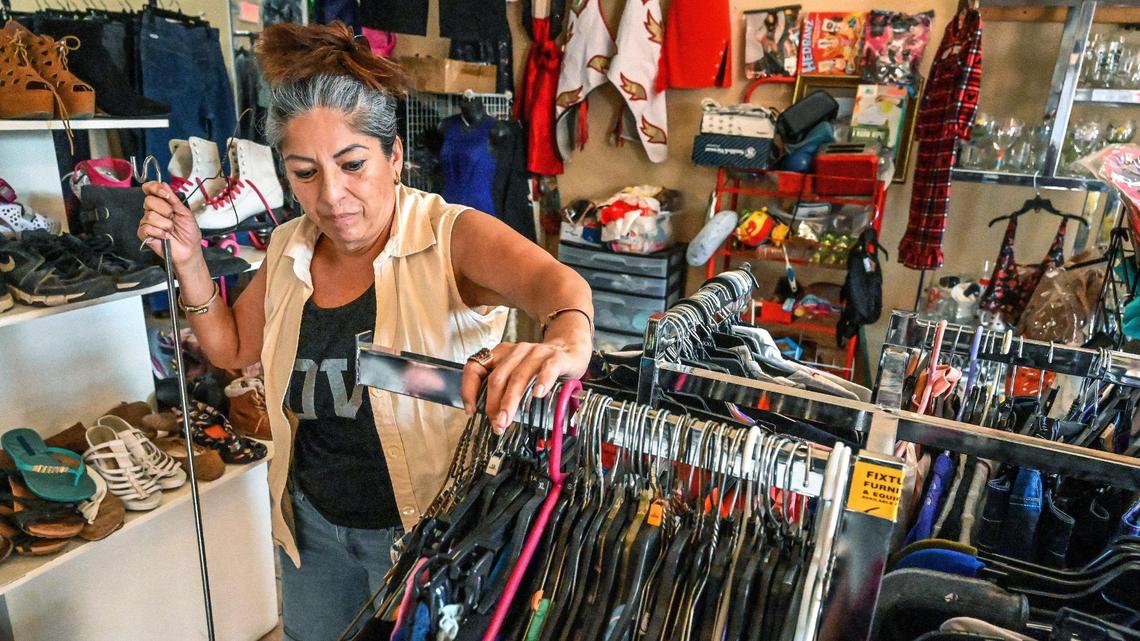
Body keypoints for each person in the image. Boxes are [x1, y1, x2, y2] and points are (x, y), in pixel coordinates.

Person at [136, 22, 593, 641]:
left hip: (426, 532)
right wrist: (189, 262)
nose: (332, 195)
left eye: (353, 165)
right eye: (304, 173)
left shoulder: (450, 236)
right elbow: (230, 348)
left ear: (394, 155)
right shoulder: (288, 249)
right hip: (313, 527)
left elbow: (561, 289)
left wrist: (567, 338)